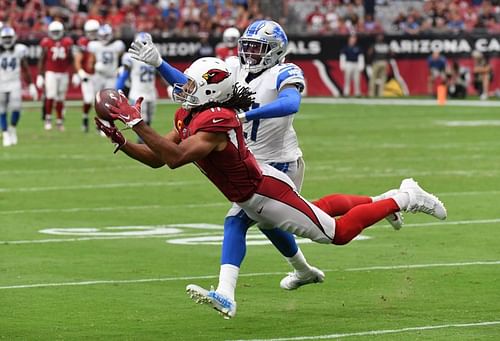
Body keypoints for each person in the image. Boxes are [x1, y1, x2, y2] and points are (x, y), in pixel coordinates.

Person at [95, 56, 447, 319]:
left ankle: (404, 196)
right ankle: (230, 294)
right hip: (253, 191)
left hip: (264, 193)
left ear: (210, 90)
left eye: (191, 86)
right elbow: (158, 158)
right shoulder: (189, 115)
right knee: (315, 210)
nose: (183, 90)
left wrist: (135, 121)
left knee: (336, 233)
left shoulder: (218, 119)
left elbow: (175, 157)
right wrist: (123, 142)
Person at [0, 26, 38, 147]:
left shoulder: (19, 50)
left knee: (16, 108)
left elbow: (26, 69)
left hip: (15, 82)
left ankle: (12, 128)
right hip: (1, 83)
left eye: (9, 38)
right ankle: (5, 133)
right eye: (4, 38)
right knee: (2, 109)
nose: (7, 41)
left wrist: (31, 84)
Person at [37, 21, 74, 131]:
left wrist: (75, 73)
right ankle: (48, 119)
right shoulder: (46, 42)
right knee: (51, 95)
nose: (56, 34)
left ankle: (59, 121)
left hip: (63, 72)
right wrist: (40, 75)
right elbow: (42, 59)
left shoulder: (67, 42)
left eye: (57, 31)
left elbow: (71, 58)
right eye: (54, 32)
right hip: (51, 72)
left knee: (61, 97)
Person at [115, 32, 157, 128]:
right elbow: (124, 75)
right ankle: (142, 142)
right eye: (141, 44)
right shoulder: (130, 57)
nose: (143, 47)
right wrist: (117, 90)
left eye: (145, 44)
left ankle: (146, 142)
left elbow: (159, 72)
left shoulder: (154, 56)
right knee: (142, 122)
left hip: (151, 92)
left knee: (149, 122)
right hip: (137, 93)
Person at [73, 19, 100, 133]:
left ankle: (101, 125)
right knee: (88, 99)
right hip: (87, 74)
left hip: (99, 75)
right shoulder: (83, 42)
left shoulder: (102, 40)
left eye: (95, 31)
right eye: (91, 31)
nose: (93, 34)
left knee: (99, 101)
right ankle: (85, 117)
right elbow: (78, 59)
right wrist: (79, 72)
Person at [87, 24, 125, 94]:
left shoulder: (117, 45)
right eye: (102, 36)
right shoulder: (94, 45)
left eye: (105, 36)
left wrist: (121, 68)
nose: (104, 38)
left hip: (112, 76)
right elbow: (91, 61)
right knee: (98, 98)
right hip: (99, 76)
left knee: (110, 99)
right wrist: (90, 72)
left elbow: (123, 58)